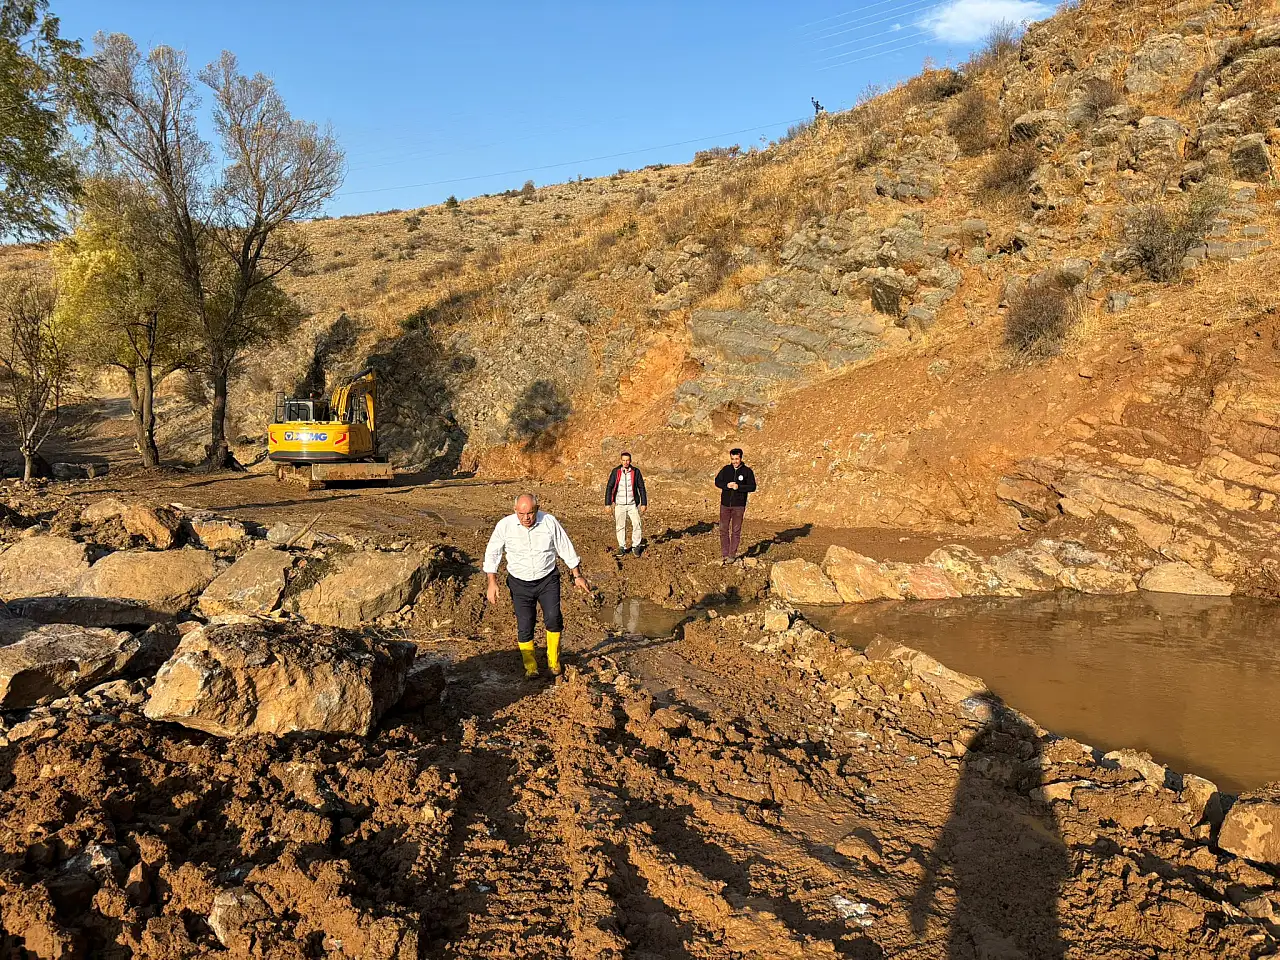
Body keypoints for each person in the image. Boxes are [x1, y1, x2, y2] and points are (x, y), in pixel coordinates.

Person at [484, 492, 591, 679]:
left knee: (553, 617)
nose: (526, 518)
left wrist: (577, 575)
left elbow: (565, 546)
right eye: (522, 514)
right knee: (525, 624)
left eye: (531, 513)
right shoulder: (505, 526)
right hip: (519, 584)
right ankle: (531, 667)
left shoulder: (549, 522)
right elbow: (493, 553)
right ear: (515, 511)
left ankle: (553, 661)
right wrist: (492, 582)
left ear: (537, 509)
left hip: (547, 580)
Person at [714, 447, 756, 562]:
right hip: (725, 505)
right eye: (732, 459)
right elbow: (717, 481)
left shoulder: (747, 471)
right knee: (723, 529)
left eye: (736, 459)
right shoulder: (726, 469)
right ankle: (725, 554)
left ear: (741, 458)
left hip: (739, 506)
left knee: (736, 531)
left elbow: (752, 487)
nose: (734, 461)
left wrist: (739, 487)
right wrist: (726, 485)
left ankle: (732, 555)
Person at [604, 451, 648, 557]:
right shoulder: (615, 472)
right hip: (619, 504)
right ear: (620, 461)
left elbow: (641, 487)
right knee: (620, 526)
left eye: (627, 460)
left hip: (632, 504)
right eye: (623, 460)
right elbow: (609, 487)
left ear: (630, 461)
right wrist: (607, 504)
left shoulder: (636, 472)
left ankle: (636, 546)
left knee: (637, 523)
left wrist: (644, 503)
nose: (625, 462)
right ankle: (622, 547)